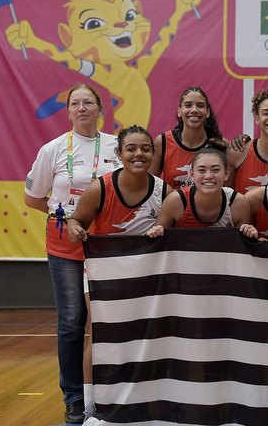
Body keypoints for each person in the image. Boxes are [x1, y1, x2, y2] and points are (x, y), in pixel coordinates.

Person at [24, 83, 120, 424]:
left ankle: (108, 393)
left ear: (100, 110)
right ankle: (75, 398)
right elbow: (34, 197)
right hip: (65, 247)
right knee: (70, 324)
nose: (82, 108)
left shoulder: (116, 146)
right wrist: (65, 218)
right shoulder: (52, 149)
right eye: (75, 104)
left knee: (108, 324)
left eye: (88, 103)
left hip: (107, 248)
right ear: (67, 112)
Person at [66, 125, 172, 419]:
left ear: (153, 154)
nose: (139, 154)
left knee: (148, 334)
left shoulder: (164, 190)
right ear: (120, 154)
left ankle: (145, 398)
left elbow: (177, 230)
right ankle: (89, 405)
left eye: (146, 149)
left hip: (146, 273)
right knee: (98, 333)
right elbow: (77, 222)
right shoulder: (101, 188)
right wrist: (74, 229)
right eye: (132, 149)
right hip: (105, 272)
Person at [146, 145, 258, 238]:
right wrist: (156, 233)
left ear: (227, 174)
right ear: (192, 174)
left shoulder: (237, 203)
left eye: (215, 170)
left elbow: (243, 249)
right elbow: (155, 245)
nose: (208, 176)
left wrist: (251, 236)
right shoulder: (176, 201)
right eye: (201, 170)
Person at [150, 86, 224, 189]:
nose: (194, 110)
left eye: (200, 106)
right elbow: (150, 185)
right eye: (188, 105)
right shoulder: (163, 142)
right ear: (179, 111)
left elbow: (228, 190)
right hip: (172, 205)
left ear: (208, 112)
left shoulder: (220, 144)